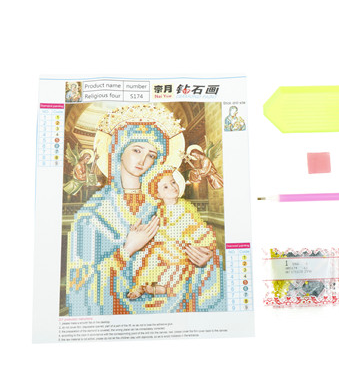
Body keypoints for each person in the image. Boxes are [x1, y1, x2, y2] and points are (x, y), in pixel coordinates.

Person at [66, 104, 225, 315]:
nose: (143, 160)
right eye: (136, 150)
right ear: (118, 149)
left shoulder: (166, 206)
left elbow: (191, 250)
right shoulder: (93, 214)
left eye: (151, 155)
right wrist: (127, 250)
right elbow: (80, 289)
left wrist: (204, 260)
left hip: (170, 307)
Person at [126, 167, 223, 312]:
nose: (172, 187)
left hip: (181, 247)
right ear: (158, 194)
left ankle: (162, 288)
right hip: (162, 246)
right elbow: (157, 227)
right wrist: (146, 230)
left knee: (177, 269)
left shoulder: (186, 208)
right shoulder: (161, 210)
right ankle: (142, 285)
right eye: (165, 187)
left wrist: (195, 240)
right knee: (144, 259)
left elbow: (195, 226)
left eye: (173, 182)